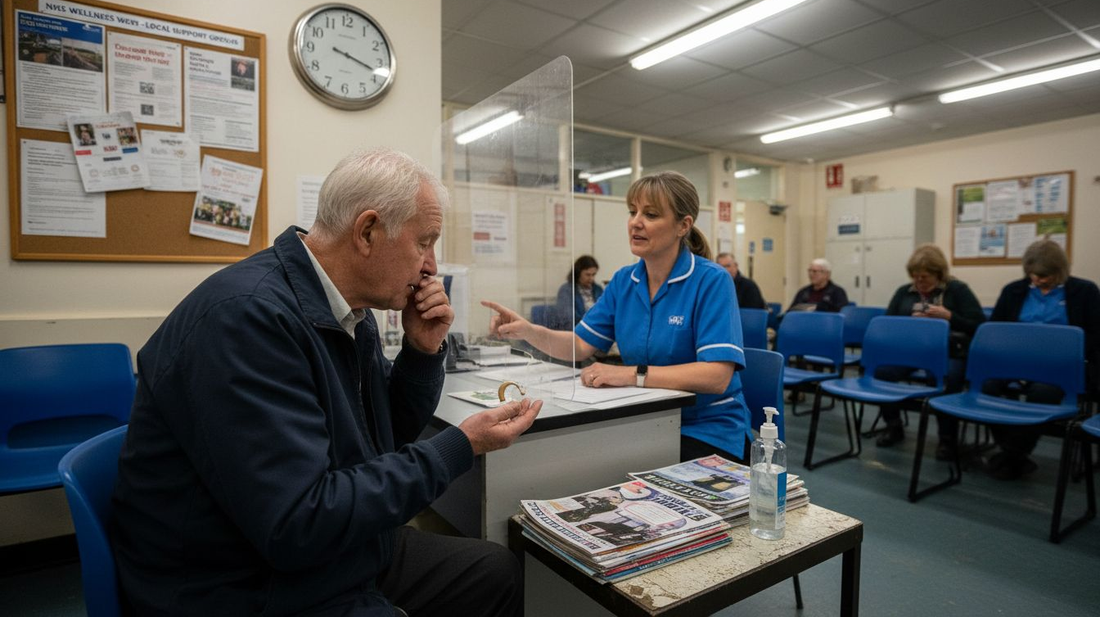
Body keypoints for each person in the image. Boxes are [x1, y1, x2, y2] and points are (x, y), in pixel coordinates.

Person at [112, 148, 542, 616]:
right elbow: (297, 524)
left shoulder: (347, 311)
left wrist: (420, 354)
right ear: (367, 231)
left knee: (494, 571)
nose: (431, 267)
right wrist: (461, 444)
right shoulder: (247, 319)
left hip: (321, 555)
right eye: (425, 242)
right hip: (238, 580)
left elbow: (384, 442)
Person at [482, 171, 750, 463]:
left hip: (706, 428)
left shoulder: (711, 281)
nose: (636, 222)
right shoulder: (624, 281)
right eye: (633, 212)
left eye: (651, 214)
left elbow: (716, 376)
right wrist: (528, 330)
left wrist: (630, 374)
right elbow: (580, 345)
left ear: (683, 225)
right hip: (644, 421)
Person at [983, 239, 1100, 479]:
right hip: (1017, 362)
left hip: (1063, 366)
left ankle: (1011, 455)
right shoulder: (1013, 290)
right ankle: (1014, 455)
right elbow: (996, 329)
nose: (1038, 280)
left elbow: (1096, 335)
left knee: (1043, 393)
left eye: (1046, 276)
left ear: (1061, 271)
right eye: (1033, 275)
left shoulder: (1085, 291)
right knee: (987, 386)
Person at [875, 243, 984, 460]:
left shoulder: (957, 290)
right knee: (882, 372)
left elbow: (979, 325)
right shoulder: (904, 292)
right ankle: (894, 426)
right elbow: (888, 324)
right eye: (915, 277)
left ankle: (947, 439)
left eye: (924, 277)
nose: (919, 282)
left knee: (949, 379)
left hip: (949, 352)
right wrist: (910, 323)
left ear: (939, 273)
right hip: (911, 352)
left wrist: (949, 317)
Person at [554, 255, 603, 328]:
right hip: (578, 330)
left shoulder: (598, 289)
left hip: (598, 329)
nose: (591, 278)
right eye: (587, 275)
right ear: (578, 273)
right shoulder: (566, 290)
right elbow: (567, 318)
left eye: (593, 275)